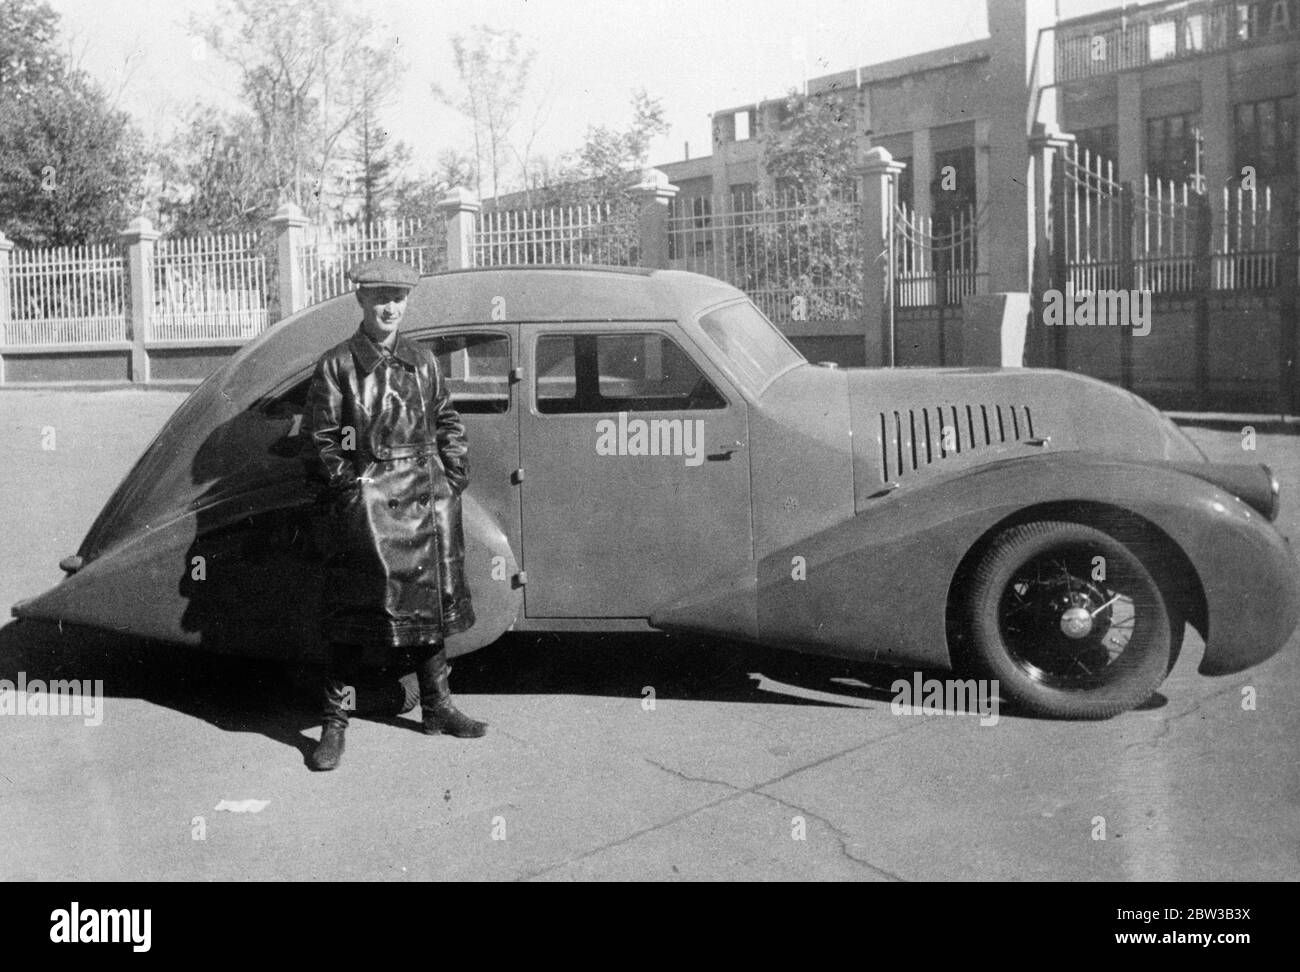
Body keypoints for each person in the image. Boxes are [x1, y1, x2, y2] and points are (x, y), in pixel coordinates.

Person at [301, 256, 486, 771]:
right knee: (354, 618)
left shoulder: (423, 361)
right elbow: (321, 441)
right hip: (370, 510)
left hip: (427, 500)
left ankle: (437, 708)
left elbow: (447, 420)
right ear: (360, 301)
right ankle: (333, 726)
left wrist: (452, 477)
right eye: (380, 297)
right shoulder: (337, 364)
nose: (390, 307)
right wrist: (352, 493)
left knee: (427, 609)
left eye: (398, 298)